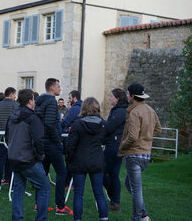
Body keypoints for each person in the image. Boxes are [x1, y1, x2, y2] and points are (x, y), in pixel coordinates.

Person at [118, 83, 162, 221]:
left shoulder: (134, 112)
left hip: (134, 155)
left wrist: (122, 147)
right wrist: (146, 136)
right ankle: (143, 214)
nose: (126, 95)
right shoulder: (150, 110)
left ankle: (137, 217)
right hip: (145, 156)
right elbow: (158, 129)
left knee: (136, 189)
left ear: (132, 96)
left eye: (127, 93)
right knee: (129, 184)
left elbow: (132, 136)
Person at [6, 89, 50, 221]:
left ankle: (17, 218)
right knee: (44, 187)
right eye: (34, 99)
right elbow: (38, 140)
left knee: (19, 189)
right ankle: (41, 218)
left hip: (14, 158)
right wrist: (40, 155)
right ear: (30, 101)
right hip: (27, 159)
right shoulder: (32, 118)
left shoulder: (13, 116)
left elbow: (7, 135)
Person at [66, 97, 109, 221]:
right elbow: (107, 139)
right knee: (99, 193)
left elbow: (70, 145)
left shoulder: (78, 124)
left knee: (79, 194)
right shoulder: (103, 124)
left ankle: (77, 219)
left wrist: (69, 159)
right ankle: (104, 218)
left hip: (80, 160)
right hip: (96, 161)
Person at [35, 78, 70, 215]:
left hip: (43, 142)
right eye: (58, 86)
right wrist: (57, 140)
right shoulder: (50, 101)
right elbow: (49, 124)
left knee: (43, 173)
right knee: (62, 172)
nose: (60, 89)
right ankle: (60, 207)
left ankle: (39, 204)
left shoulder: (40, 101)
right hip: (50, 143)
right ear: (52, 88)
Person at [103, 88, 129, 212]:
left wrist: (99, 123)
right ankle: (115, 203)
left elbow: (109, 127)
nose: (109, 98)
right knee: (113, 174)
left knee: (101, 171)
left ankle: (113, 195)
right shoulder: (120, 110)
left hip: (114, 145)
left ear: (117, 99)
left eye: (111, 96)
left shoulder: (119, 111)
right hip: (116, 144)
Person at [0, 87, 19, 191]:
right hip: (11, 136)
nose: (15, 97)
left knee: (0, 160)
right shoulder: (16, 105)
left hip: (0, 136)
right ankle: (12, 185)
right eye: (14, 95)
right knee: (11, 160)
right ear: (11, 94)